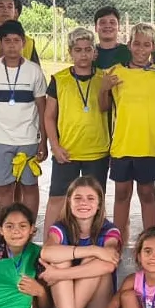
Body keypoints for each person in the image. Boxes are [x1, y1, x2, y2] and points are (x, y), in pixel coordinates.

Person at [101, 23, 155, 244]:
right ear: (129, 45)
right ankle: (116, 241)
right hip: (122, 144)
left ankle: (151, 241)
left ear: (153, 47)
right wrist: (104, 88)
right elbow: (103, 107)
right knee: (121, 193)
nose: (141, 49)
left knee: (147, 194)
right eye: (137, 44)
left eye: (146, 45)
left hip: (149, 145)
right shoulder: (115, 72)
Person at [33, 176, 122, 308]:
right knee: (62, 259)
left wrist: (58, 275)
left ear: (99, 204)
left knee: (94, 263)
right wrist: (92, 249)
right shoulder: (61, 228)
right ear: (69, 202)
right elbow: (46, 251)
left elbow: (109, 264)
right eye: (78, 198)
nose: (84, 203)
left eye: (90, 198)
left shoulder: (109, 230)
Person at [0, 20, 48, 227]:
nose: (11, 45)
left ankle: (29, 227)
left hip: (28, 139)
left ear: (24, 43)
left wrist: (44, 141)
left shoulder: (34, 71)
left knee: (29, 186)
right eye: (6, 41)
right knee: (4, 187)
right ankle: (6, 230)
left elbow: (43, 108)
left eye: (16, 41)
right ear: (0, 43)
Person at [44, 27, 111, 231]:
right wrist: (54, 146)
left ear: (94, 52)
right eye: (78, 50)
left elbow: (108, 109)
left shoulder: (104, 78)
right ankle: (48, 248)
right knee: (57, 197)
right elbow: (49, 116)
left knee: (94, 201)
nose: (83, 54)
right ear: (70, 52)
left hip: (97, 150)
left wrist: (107, 88)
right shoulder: (59, 79)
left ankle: (94, 243)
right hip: (67, 151)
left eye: (88, 49)